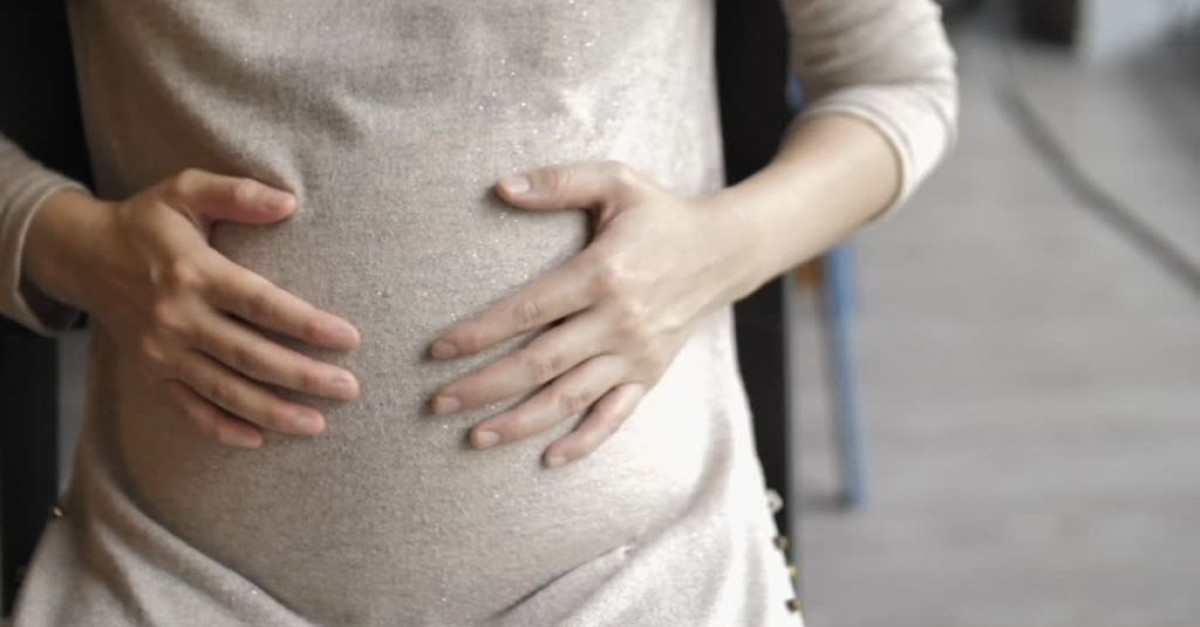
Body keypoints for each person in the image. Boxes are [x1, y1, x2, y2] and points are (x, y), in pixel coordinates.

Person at [1, 0, 956, 625]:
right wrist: (65, 242)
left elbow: (897, 80)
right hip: (169, 581)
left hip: (654, 580)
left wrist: (714, 251)